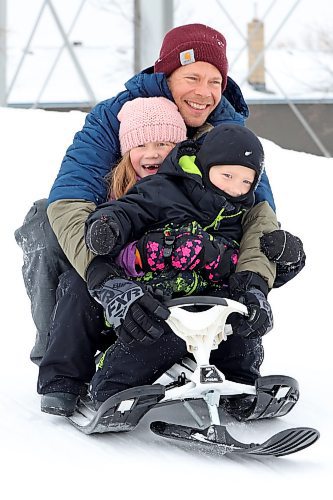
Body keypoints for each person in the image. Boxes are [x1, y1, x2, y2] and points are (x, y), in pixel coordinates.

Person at [15, 23, 285, 366]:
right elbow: (70, 198)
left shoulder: (226, 133)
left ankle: (206, 345)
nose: (204, 92)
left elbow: (259, 214)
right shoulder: (112, 118)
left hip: (189, 253)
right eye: (192, 78)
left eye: (214, 81)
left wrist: (254, 287)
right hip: (116, 240)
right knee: (44, 220)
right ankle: (61, 348)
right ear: (167, 75)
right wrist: (104, 278)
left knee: (249, 239)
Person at [37, 97, 283, 417]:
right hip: (134, 289)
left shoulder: (220, 196)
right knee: (80, 289)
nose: (154, 152)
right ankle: (70, 379)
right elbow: (124, 213)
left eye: (165, 143)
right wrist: (107, 232)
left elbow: (249, 246)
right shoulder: (142, 190)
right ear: (127, 150)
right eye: (143, 144)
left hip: (185, 293)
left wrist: (269, 271)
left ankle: (240, 382)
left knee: (234, 316)